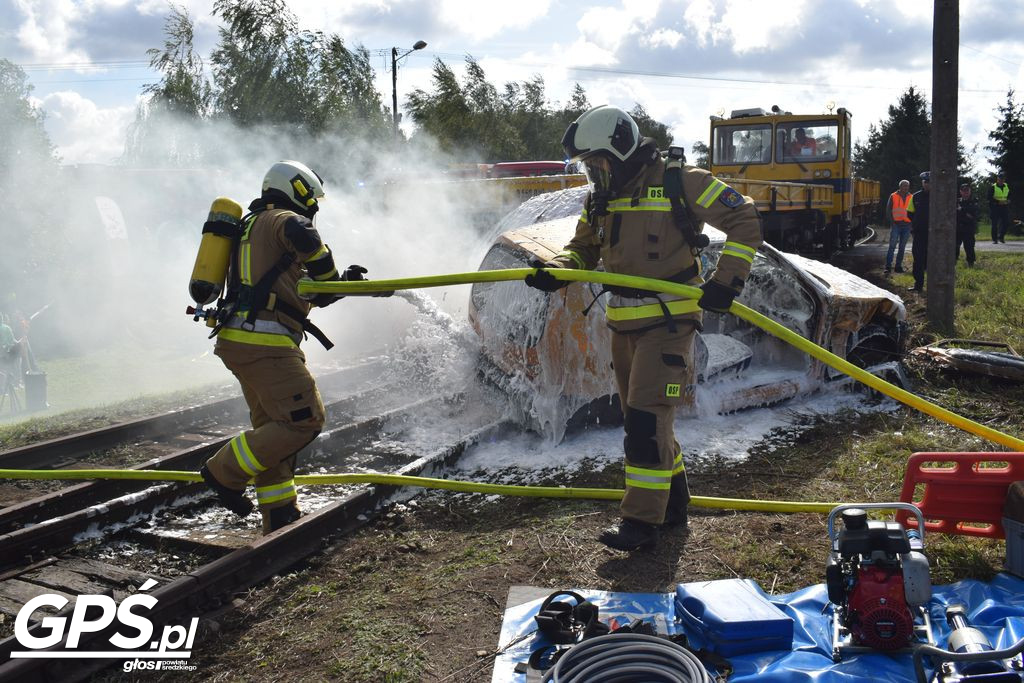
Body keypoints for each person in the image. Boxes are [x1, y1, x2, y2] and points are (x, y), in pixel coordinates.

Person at [526, 105, 763, 551]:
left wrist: (726, 282)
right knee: (646, 421)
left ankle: (640, 524)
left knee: (644, 421)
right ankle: (672, 504)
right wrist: (556, 269)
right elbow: (582, 248)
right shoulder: (599, 197)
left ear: (619, 150)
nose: (594, 173)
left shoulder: (681, 181)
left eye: (598, 163)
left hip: (669, 324)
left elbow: (745, 221)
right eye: (588, 166)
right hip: (623, 326)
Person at [200, 160, 368, 535]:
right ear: (298, 189)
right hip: (267, 344)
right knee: (305, 420)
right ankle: (222, 472)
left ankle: (279, 512)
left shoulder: (250, 227)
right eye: (313, 198)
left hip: (239, 340)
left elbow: (311, 292)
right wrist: (331, 273)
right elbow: (309, 243)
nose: (315, 207)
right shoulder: (285, 221)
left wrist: (341, 284)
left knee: (272, 425)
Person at [884, 180, 913, 274]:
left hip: (907, 225)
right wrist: (892, 222)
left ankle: (898, 266)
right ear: (900, 186)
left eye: (907, 186)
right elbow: (888, 210)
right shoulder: (893, 196)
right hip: (896, 224)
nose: (906, 188)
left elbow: (913, 211)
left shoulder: (911, 197)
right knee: (892, 246)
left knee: (902, 247)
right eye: (904, 186)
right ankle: (888, 266)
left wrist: (912, 223)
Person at [908, 171, 931, 292]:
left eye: (929, 182)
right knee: (918, 259)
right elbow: (909, 213)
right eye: (925, 182)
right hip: (919, 233)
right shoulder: (915, 196)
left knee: (932, 260)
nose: (927, 184)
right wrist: (917, 224)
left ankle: (934, 286)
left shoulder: (939, 196)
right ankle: (918, 285)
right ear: (922, 183)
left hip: (934, 234)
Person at [956, 183, 979, 267]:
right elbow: (955, 213)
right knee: (955, 246)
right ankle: (953, 263)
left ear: (970, 191)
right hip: (958, 227)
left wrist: (961, 210)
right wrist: (966, 213)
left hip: (969, 228)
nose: (966, 192)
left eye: (967, 190)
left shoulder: (974, 201)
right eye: (964, 190)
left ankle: (971, 264)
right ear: (960, 191)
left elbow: (973, 213)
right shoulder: (957, 201)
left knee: (969, 247)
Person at [989, 174, 1010, 244]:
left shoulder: (1007, 186)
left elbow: (1009, 195)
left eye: (1002, 179)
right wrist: (998, 202)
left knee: (1006, 223)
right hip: (995, 208)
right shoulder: (993, 187)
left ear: (1004, 180)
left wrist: (1009, 200)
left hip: (1004, 207)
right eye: (1000, 179)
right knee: (994, 224)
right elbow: (989, 198)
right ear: (997, 180)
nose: (1001, 181)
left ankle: (1001, 237)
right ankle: (995, 239)